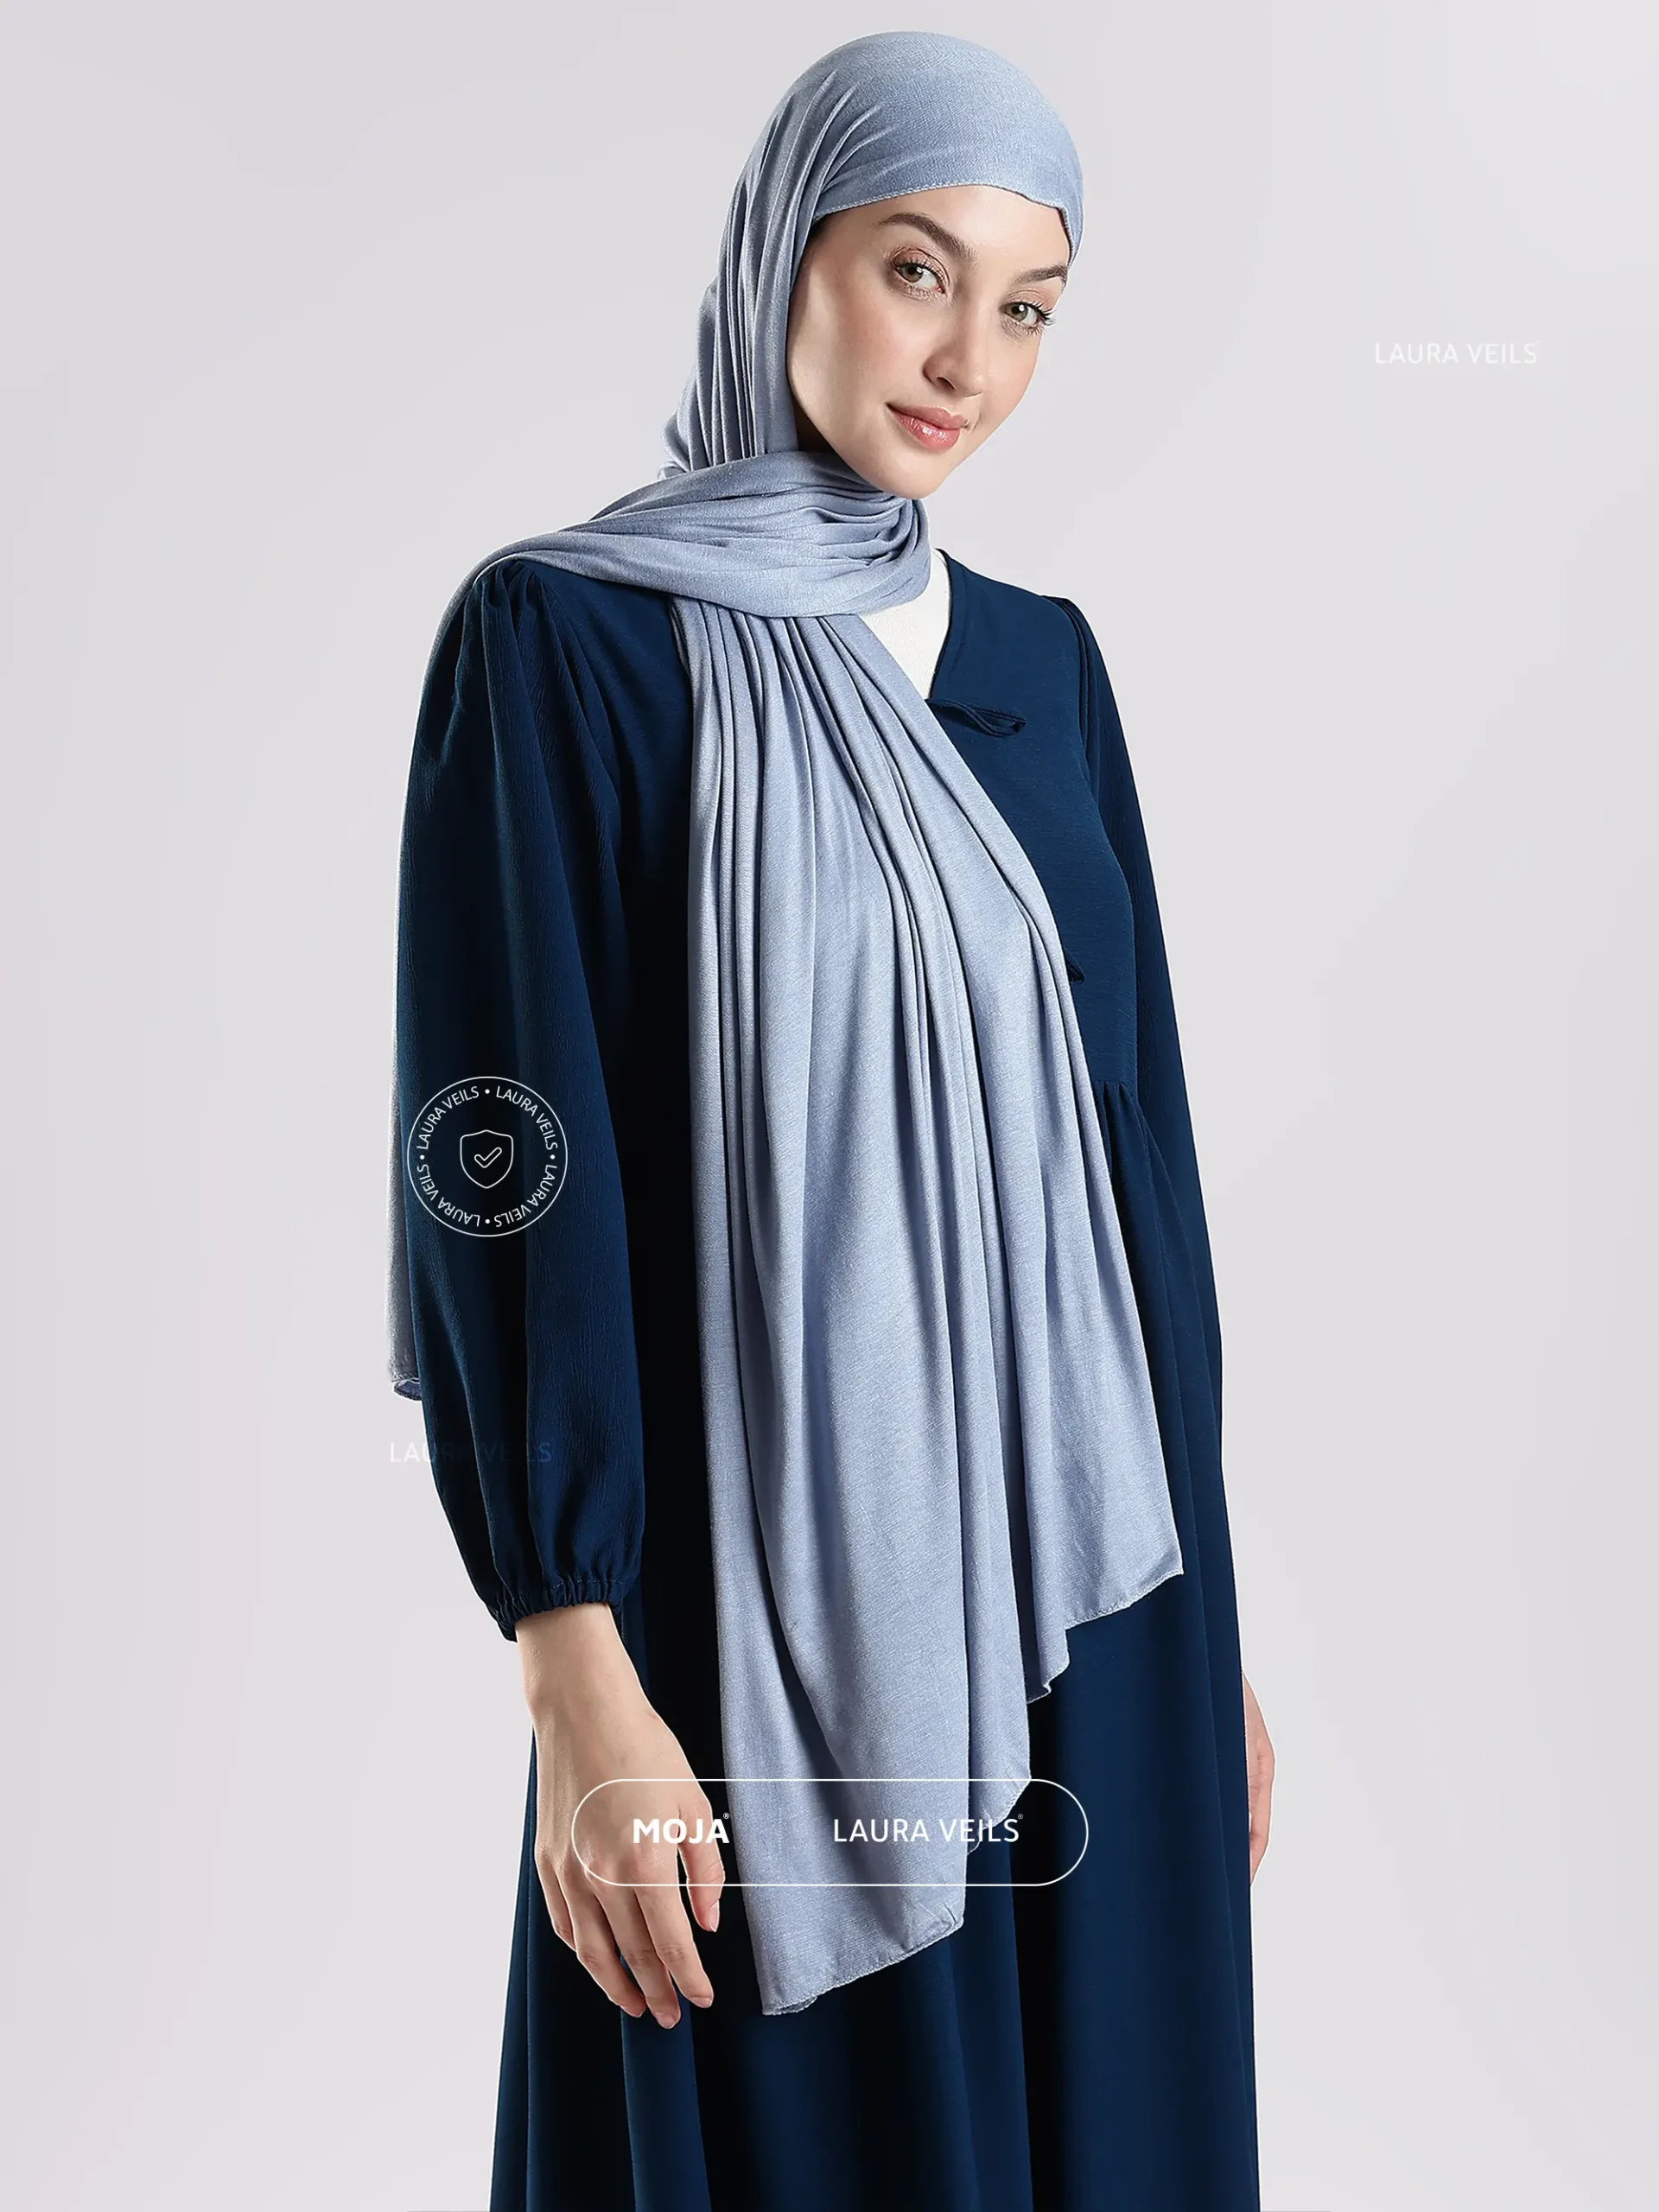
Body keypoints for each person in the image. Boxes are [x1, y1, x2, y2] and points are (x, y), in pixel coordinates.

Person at [389, 30, 1274, 2211]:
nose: (970, 359)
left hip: (1101, 1614)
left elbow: (1139, 1174)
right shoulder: (568, 645)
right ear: (790, 244)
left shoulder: (1047, 665)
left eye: (1031, 305)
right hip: (756, 1619)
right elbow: (510, 1170)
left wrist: (1213, 1631)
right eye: (916, 270)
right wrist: (573, 1671)